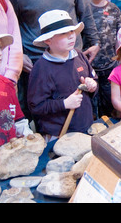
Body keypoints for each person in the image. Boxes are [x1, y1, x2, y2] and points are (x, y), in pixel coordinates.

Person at [2, 0, 100, 121]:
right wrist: (19, 55)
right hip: (39, 64)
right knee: (48, 115)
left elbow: (85, 11)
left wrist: (95, 42)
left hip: (74, 60)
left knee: (81, 110)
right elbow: (8, 27)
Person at [27, 10, 97, 141]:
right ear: (48, 39)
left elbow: (93, 78)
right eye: (64, 33)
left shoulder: (79, 55)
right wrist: (64, 104)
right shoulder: (42, 68)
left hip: (84, 126)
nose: (71, 36)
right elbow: (36, 106)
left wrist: (92, 85)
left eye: (71, 31)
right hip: (59, 134)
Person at [0, 26, 32, 172]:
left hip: (10, 161)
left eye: (0, 47)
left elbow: (17, 117)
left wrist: (24, 130)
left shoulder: (6, 84)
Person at [85, 0, 121, 118]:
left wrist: (120, 61)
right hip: (90, 67)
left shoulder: (114, 9)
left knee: (110, 105)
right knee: (91, 105)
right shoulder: (83, 9)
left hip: (110, 65)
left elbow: (120, 37)